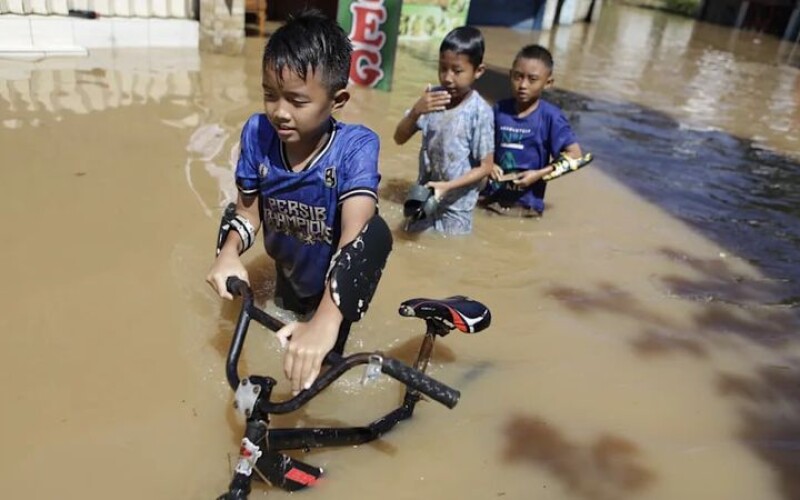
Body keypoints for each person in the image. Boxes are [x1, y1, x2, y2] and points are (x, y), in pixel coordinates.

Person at [206, 10, 386, 395]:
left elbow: (358, 237)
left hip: (335, 288)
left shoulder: (356, 147)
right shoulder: (258, 132)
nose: (279, 112)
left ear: (337, 100)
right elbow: (247, 211)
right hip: (287, 274)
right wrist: (229, 252)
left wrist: (325, 320)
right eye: (270, 95)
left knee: (313, 385)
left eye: (297, 100)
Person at [393, 26, 494, 235]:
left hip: (457, 208)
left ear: (479, 71)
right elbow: (399, 138)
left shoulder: (479, 112)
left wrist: (447, 187)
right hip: (423, 197)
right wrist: (415, 112)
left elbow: (485, 167)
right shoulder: (432, 100)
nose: (447, 78)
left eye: (457, 71)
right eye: (442, 68)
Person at [480, 44, 583, 216]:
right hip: (490, 201)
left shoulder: (551, 117)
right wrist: (489, 165)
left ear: (548, 83)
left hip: (526, 208)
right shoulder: (499, 109)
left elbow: (576, 155)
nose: (523, 85)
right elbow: (481, 146)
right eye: (518, 77)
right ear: (510, 75)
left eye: (532, 79)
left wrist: (539, 174)